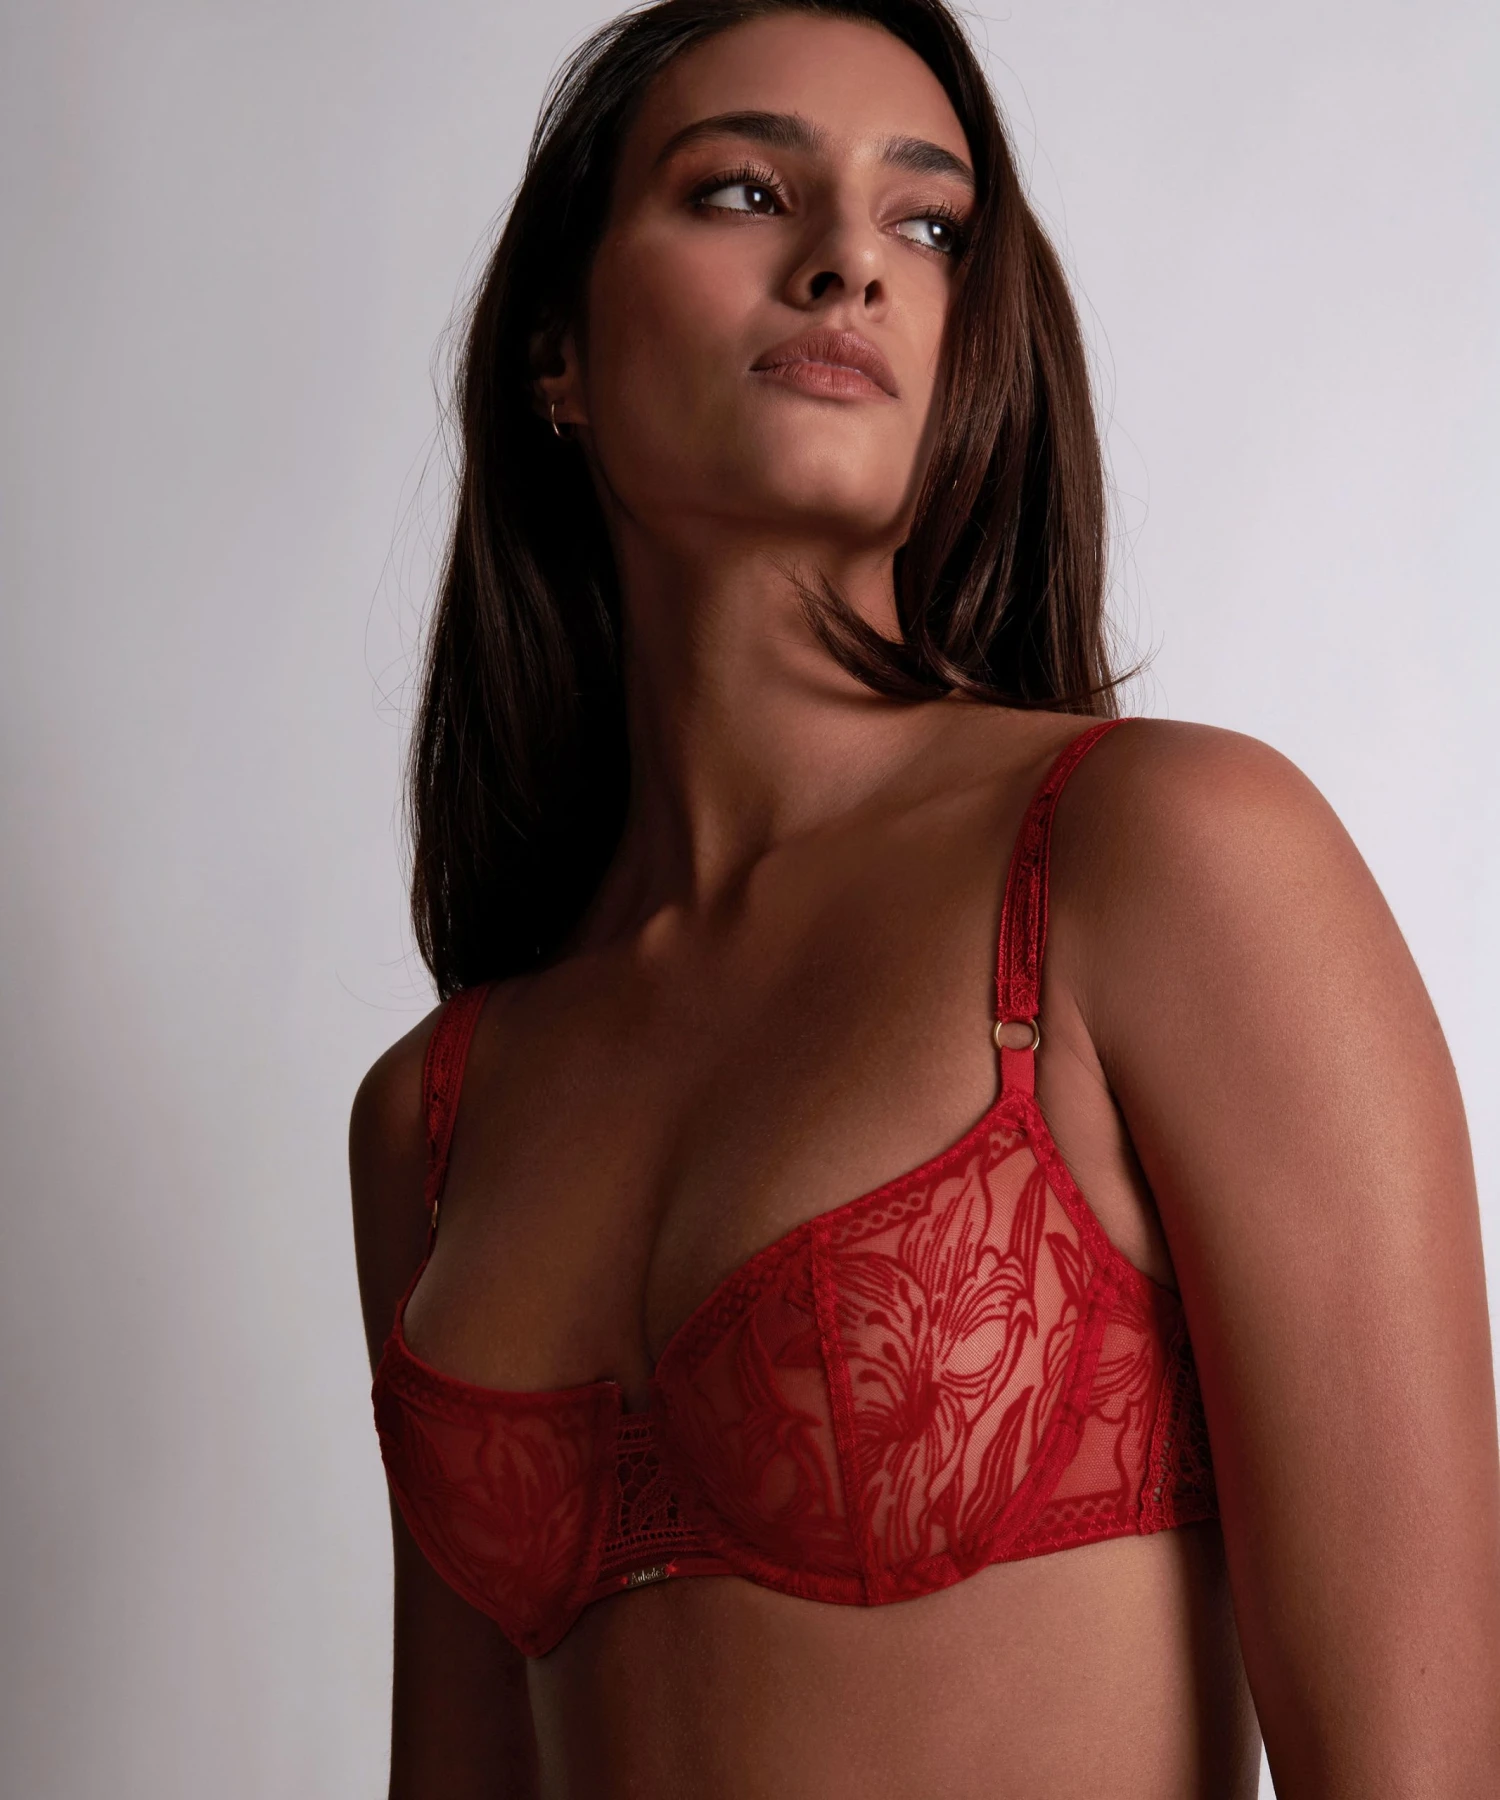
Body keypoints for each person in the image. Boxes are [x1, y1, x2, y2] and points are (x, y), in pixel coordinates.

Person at [348, 2, 1500, 1793]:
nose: (848, 264)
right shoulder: (436, 1112)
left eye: (929, 223)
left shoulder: (1162, 856)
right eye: (743, 191)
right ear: (554, 348)